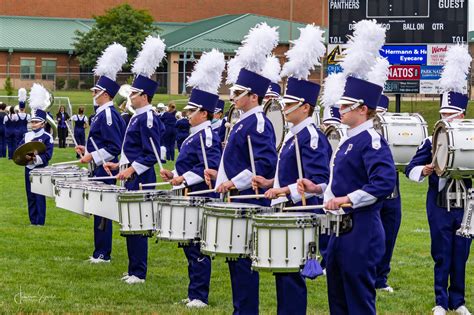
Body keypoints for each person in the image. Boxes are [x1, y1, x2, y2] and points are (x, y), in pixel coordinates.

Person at [253, 77, 331, 315]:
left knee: (291, 275)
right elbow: (289, 173)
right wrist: (271, 183)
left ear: (305, 107)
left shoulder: (312, 136)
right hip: (287, 210)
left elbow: (318, 180)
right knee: (283, 271)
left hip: (300, 213)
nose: (283, 109)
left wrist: (284, 191)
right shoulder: (294, 135)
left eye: (289, 105)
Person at [205, 68, 278, 314]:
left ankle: (246, 311)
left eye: (238, 93)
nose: (232, 97)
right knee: (235, 260)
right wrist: (221, 177)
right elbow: (238, 161)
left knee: (243, 262)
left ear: (254, 96)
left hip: (249, 199)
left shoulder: (257, 121)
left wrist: (234, 183)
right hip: (237, 197)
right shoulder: (243, 119)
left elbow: (263, 165)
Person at [322, 76, 397, 314]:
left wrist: (348, 199)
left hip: (361, 229)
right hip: (339, 230)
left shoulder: (372, 141)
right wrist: (317, 190)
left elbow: (384, 183)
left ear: (363, 109)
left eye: (346, 106)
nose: (340, 109)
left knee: (358, 300)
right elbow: (341, 182)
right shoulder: (348, 140)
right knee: (337, 297)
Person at [161, 49, 225, 307]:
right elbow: (191, 165)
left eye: (192, 111)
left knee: (197, 246)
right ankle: (193, 292)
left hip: (200, 195)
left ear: (205, 113)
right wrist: (174, 175)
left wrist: (184, 179)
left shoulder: (207, 135)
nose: (188, 114)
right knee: (189, 245)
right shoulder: (194, 134)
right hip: (189, 192)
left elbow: (207, 167)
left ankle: (200, 295)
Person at [105, 35, 166, 285]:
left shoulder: (148, 118)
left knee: (138, 224)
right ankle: (132, 269)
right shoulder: (137, 116)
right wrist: (118, 165)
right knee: (130, 223)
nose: (130, 96)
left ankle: (139, 272)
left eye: (134, 93)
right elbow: (132, 150)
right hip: (132, 174)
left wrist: (131, 170)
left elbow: (151, 154)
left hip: (141, 178)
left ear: (145, 95)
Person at [405, 92, 472, 315]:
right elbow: (410, 168)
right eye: (443, 114)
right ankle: (441, 301)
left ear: (462, 115)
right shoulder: (430, 140)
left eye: (451, 115)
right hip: (439, 204)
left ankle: (458, 301)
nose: (445, 118)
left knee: (461, 253)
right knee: (442, 253)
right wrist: (422, 170)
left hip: (465, 205)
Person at [75, 43, 127, 264]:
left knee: (102, 211)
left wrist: (93, 157)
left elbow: (115, 147)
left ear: (105, 94)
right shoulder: (100, 114)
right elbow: (100, 143)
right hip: (98, 167)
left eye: (95, 91)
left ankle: (104, 253)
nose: (92, 94)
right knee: (97, 209)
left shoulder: (108, 115)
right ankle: (99, 251)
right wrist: (86, 150)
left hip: (106, 170)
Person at [371, 95, 402, 293]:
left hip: (392, 194)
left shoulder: (393, 133)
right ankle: (367, 275)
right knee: (370, 236)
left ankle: (381, 278)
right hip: (371, 192)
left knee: (389, 236)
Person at [19, 84, 54, 226]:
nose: (33, 124)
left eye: (36, 122)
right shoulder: (26, 135)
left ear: (43, 123)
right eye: (32, 121)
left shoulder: (47, 137)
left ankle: (40, 221)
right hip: (28, 169)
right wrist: (24, 157)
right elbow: (19, 150)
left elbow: (48, 156)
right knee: (30, 195)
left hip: (40, 170)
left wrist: (35, 158)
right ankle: (32, 221)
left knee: (39, 196)